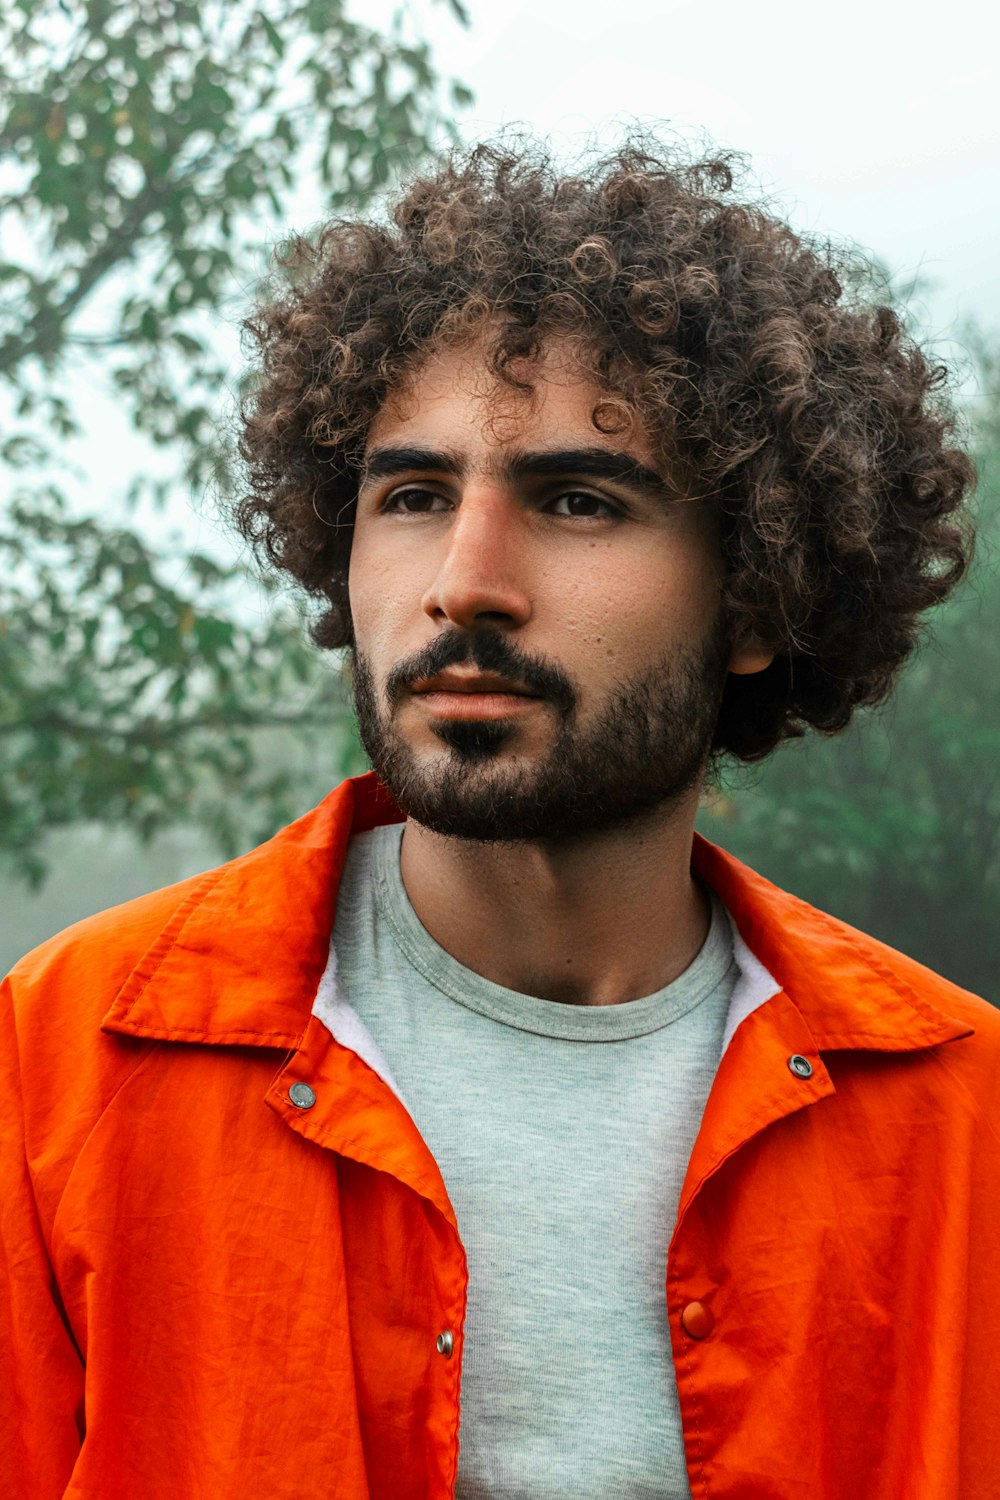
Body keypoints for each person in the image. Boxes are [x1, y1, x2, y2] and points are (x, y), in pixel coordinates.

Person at [2, 138, 997, 1500]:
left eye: (578, 501)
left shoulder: (964, 1126)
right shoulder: (55, 1076)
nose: (464, 583)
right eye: (412, 496)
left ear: (759, 600)